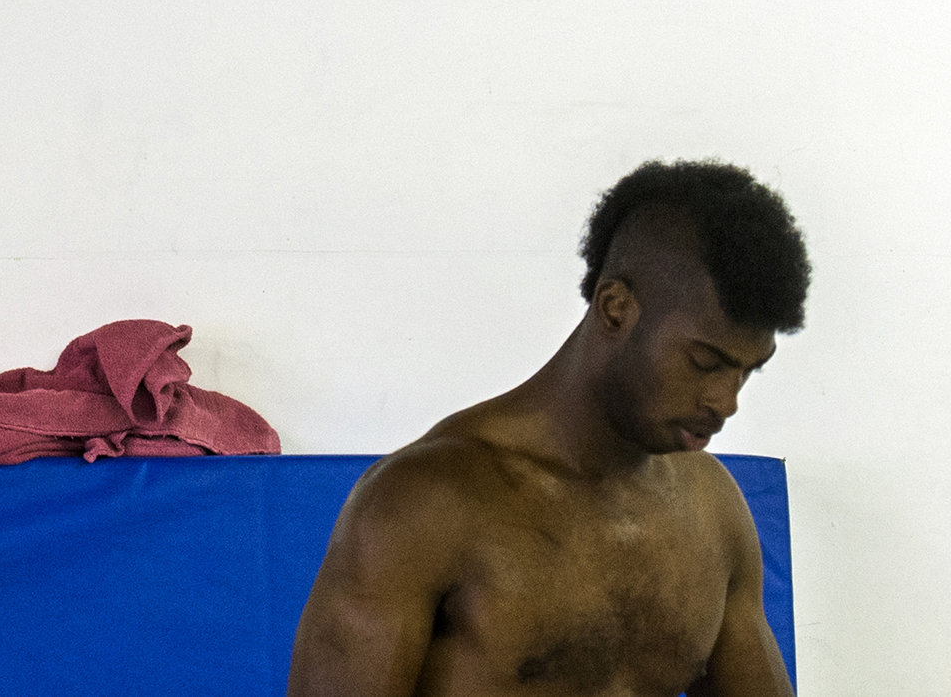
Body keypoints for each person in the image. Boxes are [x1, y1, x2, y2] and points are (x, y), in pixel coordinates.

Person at [287, 160, 810, 697]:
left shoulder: (713, 510)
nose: (726, 402)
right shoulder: (423, 505)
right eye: (705, 362)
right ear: (615, 309)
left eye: (748, 371)